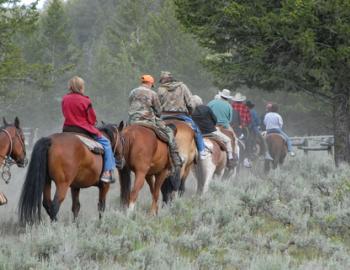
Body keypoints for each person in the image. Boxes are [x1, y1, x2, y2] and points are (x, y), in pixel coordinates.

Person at [62, 76, 118, 183]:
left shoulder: (65, 98)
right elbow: (91, 119)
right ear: (81, 87)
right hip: (83, 129)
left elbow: (65, 113)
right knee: (106, 143)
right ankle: (107, 172)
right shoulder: (85, 100)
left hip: (67, 129)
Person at [128, 74, 183, 170]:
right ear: (150, 83)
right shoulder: (152, 93)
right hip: (147, 120)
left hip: (132, 120)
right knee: (169, 132)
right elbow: (158, 110)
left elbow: (130, 103)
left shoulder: (133, 92)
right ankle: (175, 157)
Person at [157, 71, 209, 160]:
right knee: (196, 130)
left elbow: (157, 104)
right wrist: (190, 112)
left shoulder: (160, 89)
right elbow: (190, 102)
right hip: (181, 115)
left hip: (164, 116)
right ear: (172, 78)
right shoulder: (182, 86)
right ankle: (202, 151)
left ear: (162, 80)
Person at [191, 95, 237, 168]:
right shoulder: (207, 108)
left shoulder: (191, 111)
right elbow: (215, 119)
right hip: (211, 132)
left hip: (198, 134)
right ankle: (230, 158)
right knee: (228, 140)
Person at [207, 89, 240, 162]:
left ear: (221, 95)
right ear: (228, 97)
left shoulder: (211, 102)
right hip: (224, 126)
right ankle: (234, 155)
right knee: (235, 139)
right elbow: (229, 119)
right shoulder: (229, 106)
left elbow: (206, 112)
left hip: (211, 125)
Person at [231, 92, 253, 167]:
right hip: (242, 128)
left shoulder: (231, 106)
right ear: (242, 100)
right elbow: (249, 120)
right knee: (248, 141)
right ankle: (246, 159)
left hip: (231, 127)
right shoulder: (245, 108)